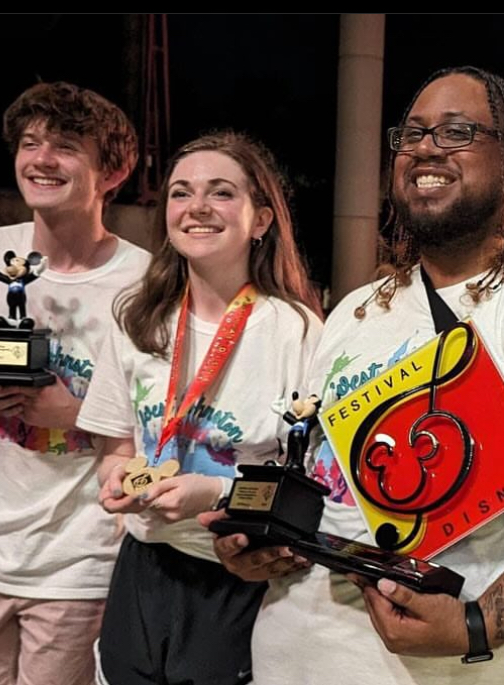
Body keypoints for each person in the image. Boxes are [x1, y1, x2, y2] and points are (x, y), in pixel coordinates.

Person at [202, 65, 504, 685]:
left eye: (456, 132)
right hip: (305, 654)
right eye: (414, 133)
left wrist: (476, 624)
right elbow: (327, 471)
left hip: (485, 668)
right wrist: (265, 539)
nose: (425, 147)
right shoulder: (355, 310)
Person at [77, 131, 322, 685]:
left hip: (236, 574)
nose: (198, 208)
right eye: (181, 193)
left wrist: (213, 493)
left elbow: (310, 487)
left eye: (221, 193)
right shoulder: (139, 319)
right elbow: (115, 444)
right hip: (142, 566)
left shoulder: (296, 331)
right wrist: (119, 476)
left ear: (261, 220)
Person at [0, 82, 146, 685]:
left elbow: (159, 421)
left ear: (114, 170)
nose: (41, 158)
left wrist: (71, 412)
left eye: (66, 146)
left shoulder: (145, 282)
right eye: (30, 143)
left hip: (80, 565)